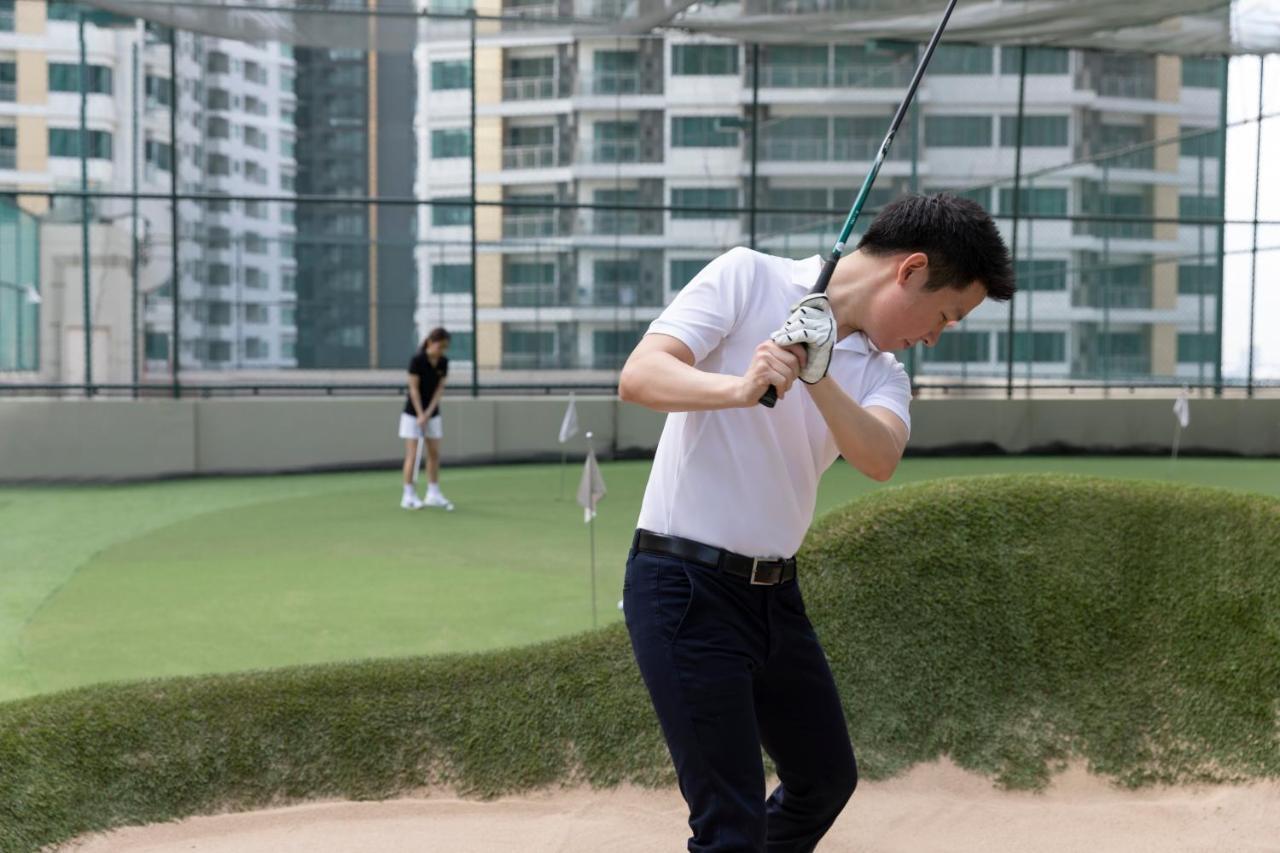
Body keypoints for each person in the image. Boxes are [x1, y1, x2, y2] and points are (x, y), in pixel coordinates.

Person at [617, 193, 1015, 852]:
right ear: (910, 270)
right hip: (681, 583)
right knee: (729, 824)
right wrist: (740, 386)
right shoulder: (748, 277)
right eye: (946, 314)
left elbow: (879, 456)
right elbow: (640, 375)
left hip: (774, 596)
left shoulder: (886, 375)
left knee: (824, 778)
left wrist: (819, 373)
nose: (936, 334)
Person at [399, 327, 454, 511]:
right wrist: (420, 413)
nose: (442, 351)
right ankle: (408, 495)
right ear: (430, 342)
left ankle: (433, 493)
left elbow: (439, 390)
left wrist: (428, 413)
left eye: (445, 347)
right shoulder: (417, 360)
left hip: (432, 414)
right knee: (413, 456)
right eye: (440, 346)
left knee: (434, 454)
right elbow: (413, 389)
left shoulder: (443, 363)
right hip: (412, 414)